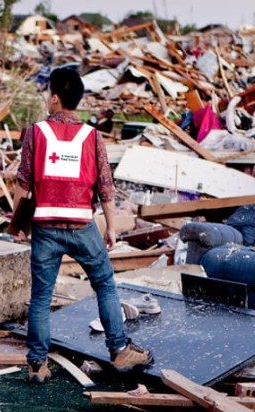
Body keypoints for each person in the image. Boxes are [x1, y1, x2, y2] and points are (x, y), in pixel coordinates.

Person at [15, 67, 153, 384]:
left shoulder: (35, 133)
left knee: (40, 297)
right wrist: (111, 228)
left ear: (54, 98)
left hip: (45, 227)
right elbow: (105, 185)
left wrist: (17, 223)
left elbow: (23, 184)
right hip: (82, 225)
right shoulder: (92, 136)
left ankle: (37, 365)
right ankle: (119, 349)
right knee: (104, 284)